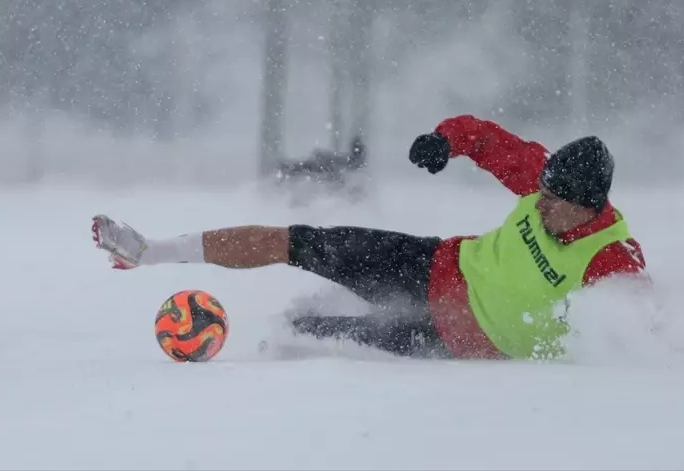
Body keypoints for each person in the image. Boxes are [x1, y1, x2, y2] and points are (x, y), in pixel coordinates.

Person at [91, 114, 648, 361]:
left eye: (553, 202)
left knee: (303, 335)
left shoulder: (611, 260)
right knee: (300, 241)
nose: (540, 201)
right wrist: (444, 140)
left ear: (586, 208)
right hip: (430, 264)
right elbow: (483, 135)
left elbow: (640, 330)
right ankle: (151, 251)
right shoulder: (541, 177)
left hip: (452, 340)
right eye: (541, 190)